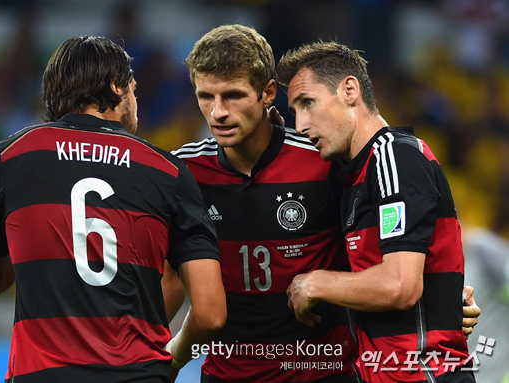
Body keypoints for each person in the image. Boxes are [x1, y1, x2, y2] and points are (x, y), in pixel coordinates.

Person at [163, 25, 480, 383]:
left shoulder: (338, 160)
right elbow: (170, 275)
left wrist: (443, 295)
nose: (217, 113)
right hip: (228, 372)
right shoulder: (181, 172)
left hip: (330, 371)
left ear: (267, 94)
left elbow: (398, 270)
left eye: (233, 95)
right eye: (205, 96)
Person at [0, 35, 226, 382]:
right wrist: (171, 360)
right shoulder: (168, 170)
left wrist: (42, 240)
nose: (135, 99)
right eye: (132, 89)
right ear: (116, 87)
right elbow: (210, 315)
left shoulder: (11, 158)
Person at [278, 41, 475, 382]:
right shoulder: (351, 176)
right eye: (295, 110)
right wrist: (443, 295)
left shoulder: (393, 157)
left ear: (350, 90)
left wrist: (315, 283)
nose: (300, 125)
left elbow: (399, 286)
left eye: (308, 103)